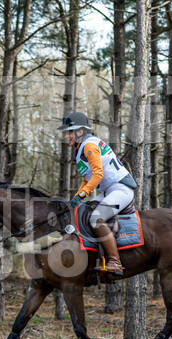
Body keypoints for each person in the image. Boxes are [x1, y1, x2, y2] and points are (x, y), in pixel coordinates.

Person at [59, 112, 138, 276]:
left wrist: (82, 195)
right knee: (84, 211)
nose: (67, 136)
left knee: (96, 218)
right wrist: (77, 197)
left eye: (69, 132)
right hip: (110, 190)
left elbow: (98, 175)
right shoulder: (82, 149)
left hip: (121, 189)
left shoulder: (89, 146)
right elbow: (86, 180)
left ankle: (115, 262)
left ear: (80, 131)